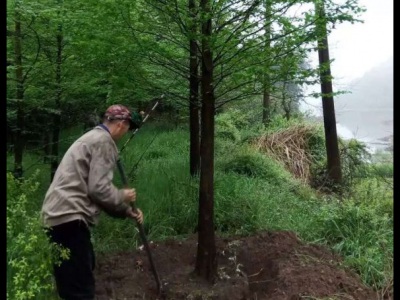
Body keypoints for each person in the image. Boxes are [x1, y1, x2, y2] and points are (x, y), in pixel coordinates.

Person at [41, 104, 144, 300]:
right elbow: (98, 189)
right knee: (81, 290)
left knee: (73, 281)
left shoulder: (91, 138)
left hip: (57, 218)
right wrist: (124, 196)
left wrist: (125, 211)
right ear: (122, 124)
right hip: (69, 218)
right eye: (128, 128)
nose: (126, 133)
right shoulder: (104, 141)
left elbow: (95, 192)